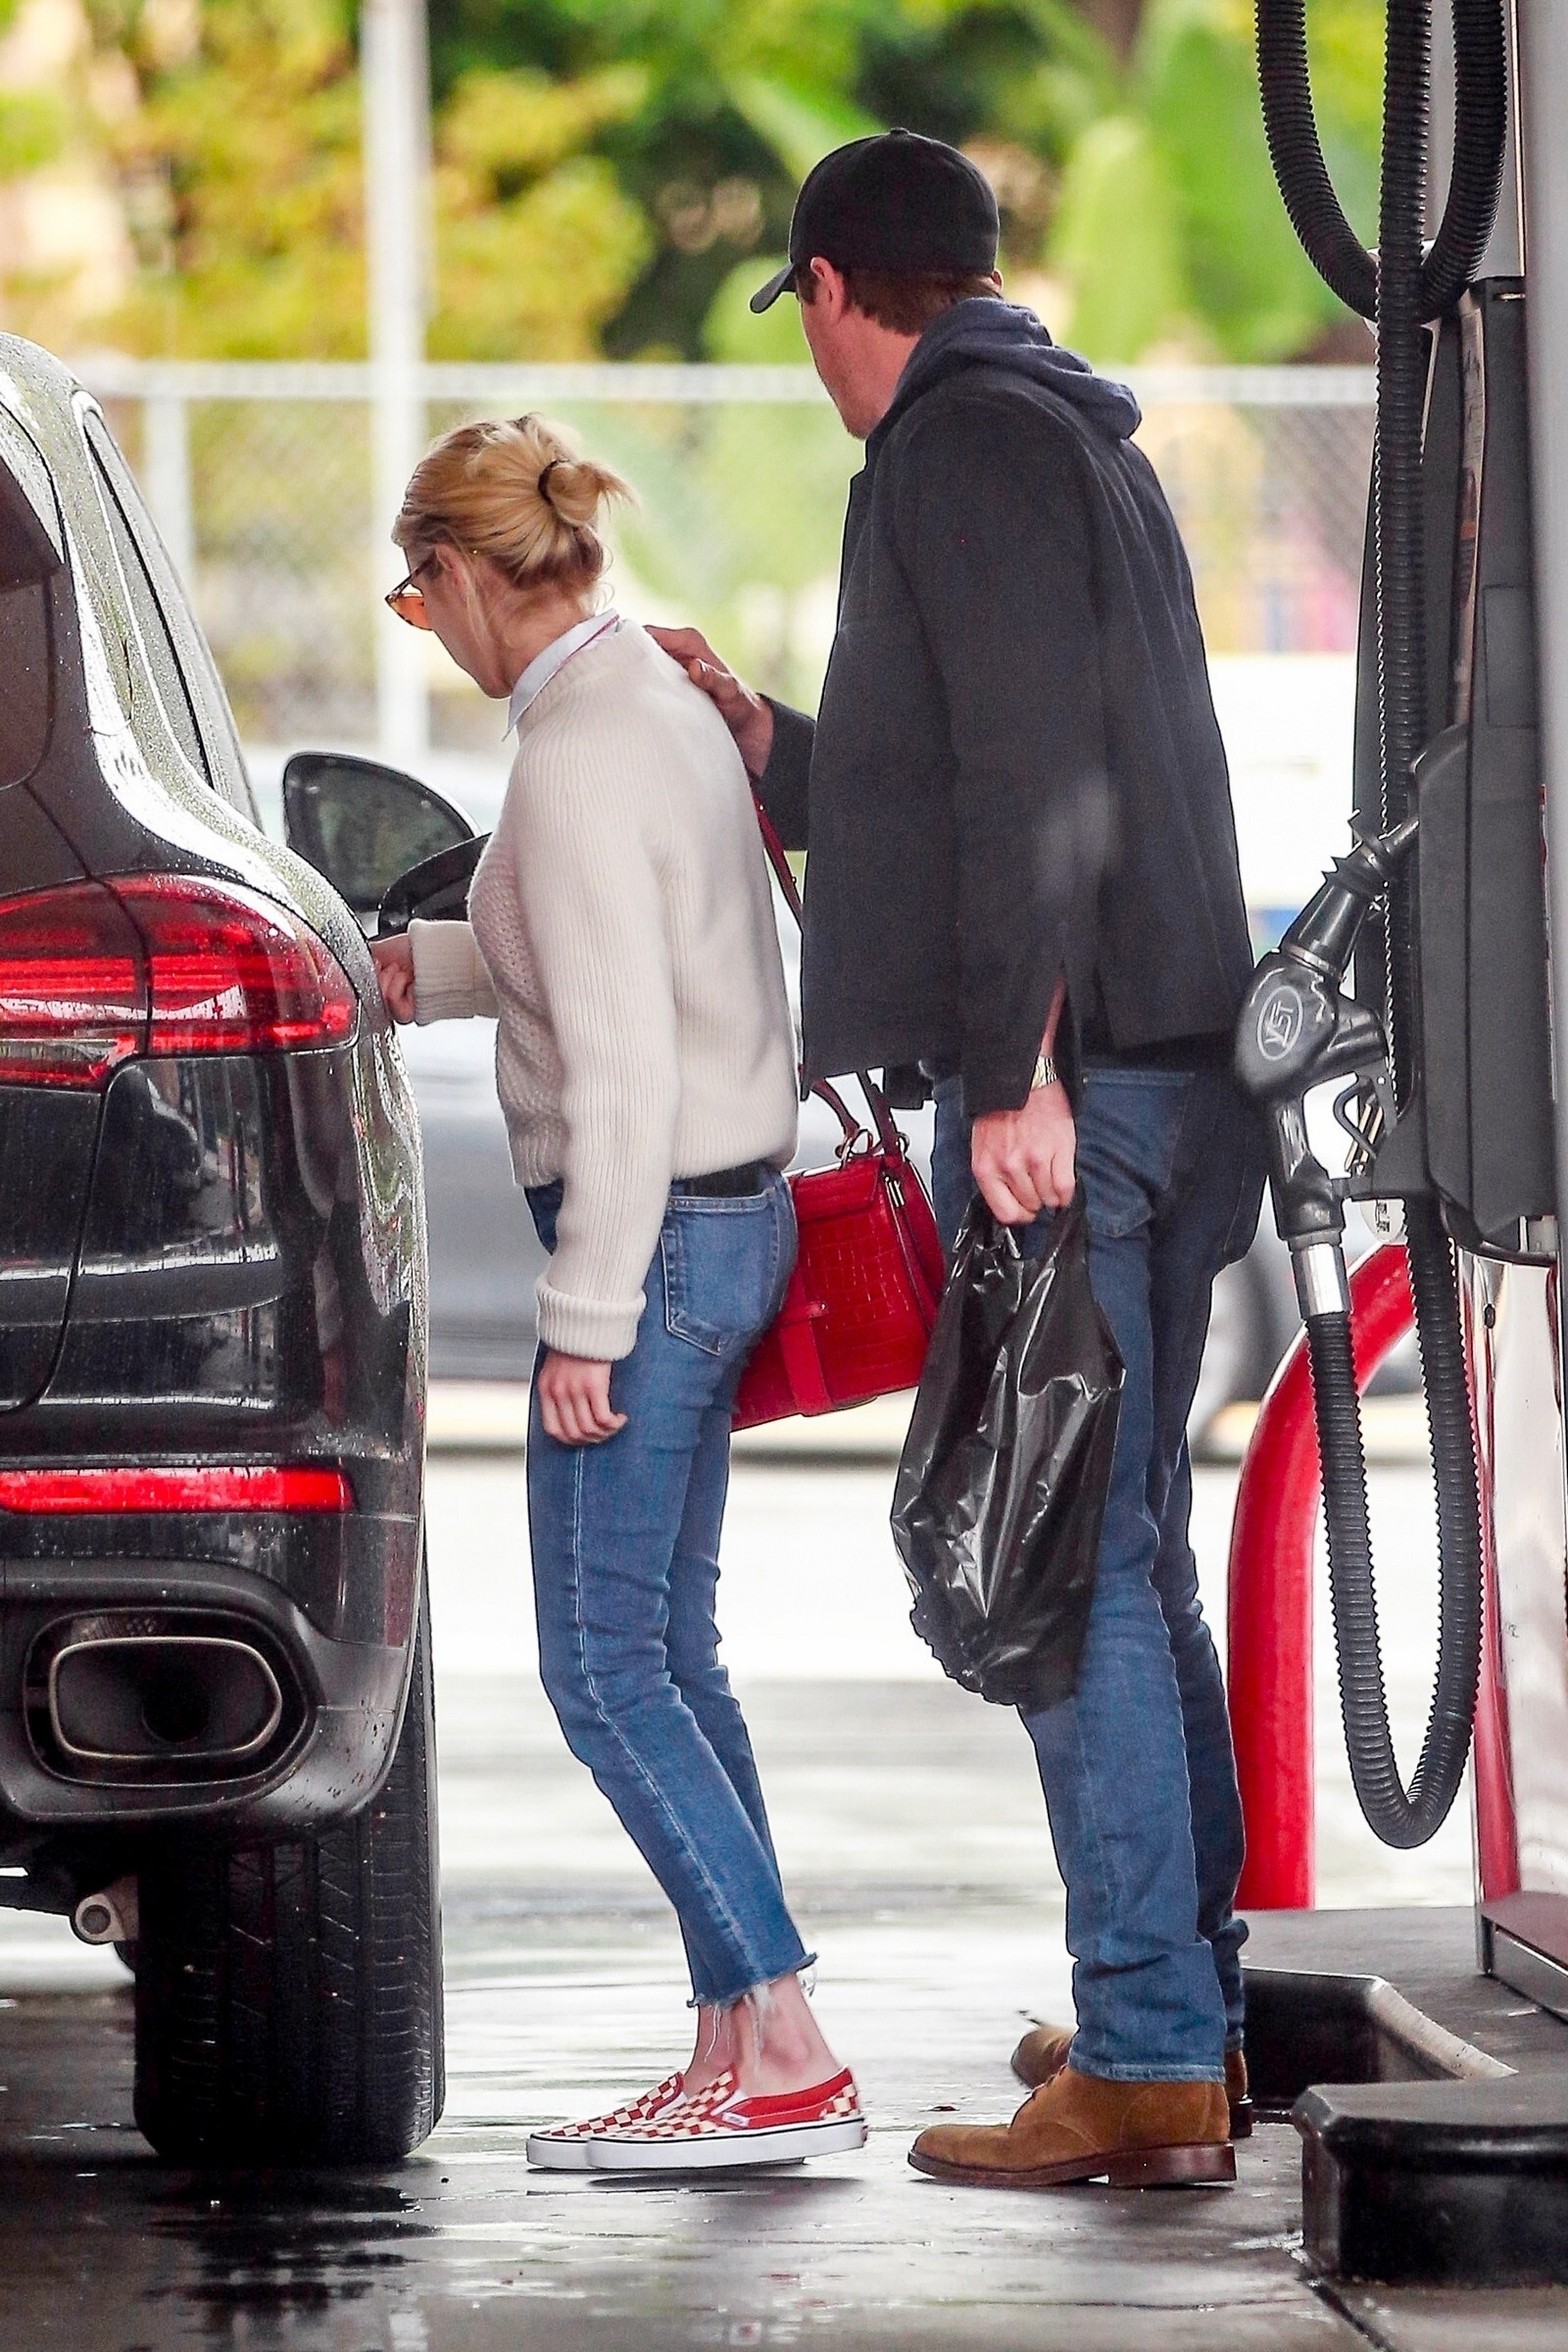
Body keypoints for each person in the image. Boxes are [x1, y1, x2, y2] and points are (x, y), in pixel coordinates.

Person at [655, 129, 1265, 2191]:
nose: (811, 351)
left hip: (1078, 1092)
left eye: (806, 314)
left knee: (1065, 1571)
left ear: (836, 289)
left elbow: (1034, 787)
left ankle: (1152, 2054)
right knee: (1128, 1554)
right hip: (1165, 1073)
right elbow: (966, 776)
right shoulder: (1067, 430)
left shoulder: (958, 447)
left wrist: (1013, 1070)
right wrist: (773, 749)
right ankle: (1178, 2006)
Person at [372, 414, 866, 2175]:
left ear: (456, 574)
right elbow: (610, 954)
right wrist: (418, 967)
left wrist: (584, 1320)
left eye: (414, 596)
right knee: (668, 1654)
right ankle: (738, 2041)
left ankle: (784, 2045)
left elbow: (628, 1061)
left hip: (651, 1244)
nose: (423, 628)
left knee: (599, 1671)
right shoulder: (646, 697)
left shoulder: (577, 748)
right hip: (721, 1225)